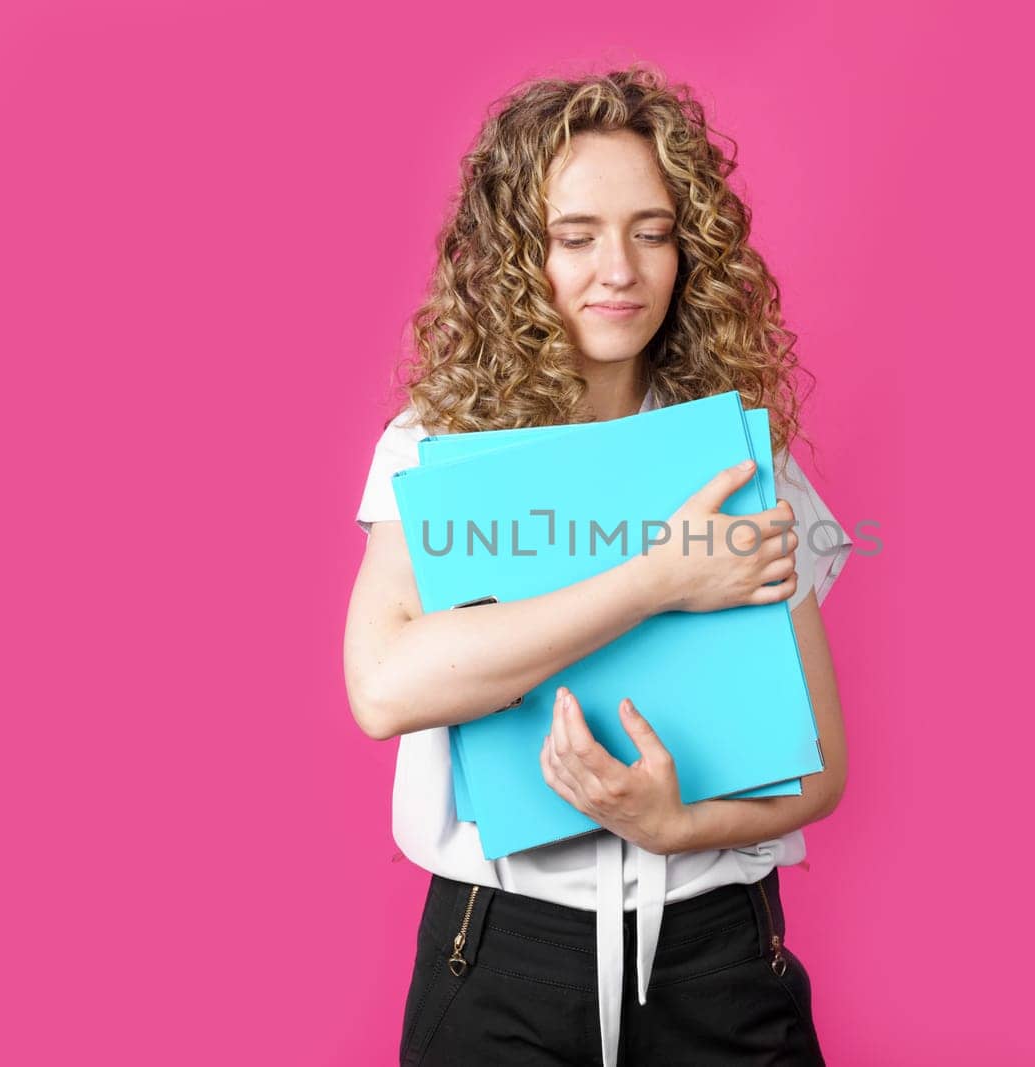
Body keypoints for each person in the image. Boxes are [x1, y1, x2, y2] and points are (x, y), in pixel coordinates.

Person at [343, 65, 852, 1066]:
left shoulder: (742, 463)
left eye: (651, 231)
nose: (618, 268)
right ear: (514, 256)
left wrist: (677, 821)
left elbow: (821, 766)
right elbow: (382, 687)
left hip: (718, 954)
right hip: (500, 955)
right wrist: (658, 578)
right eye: (574, 236)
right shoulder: (435, 448)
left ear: (688, 250)